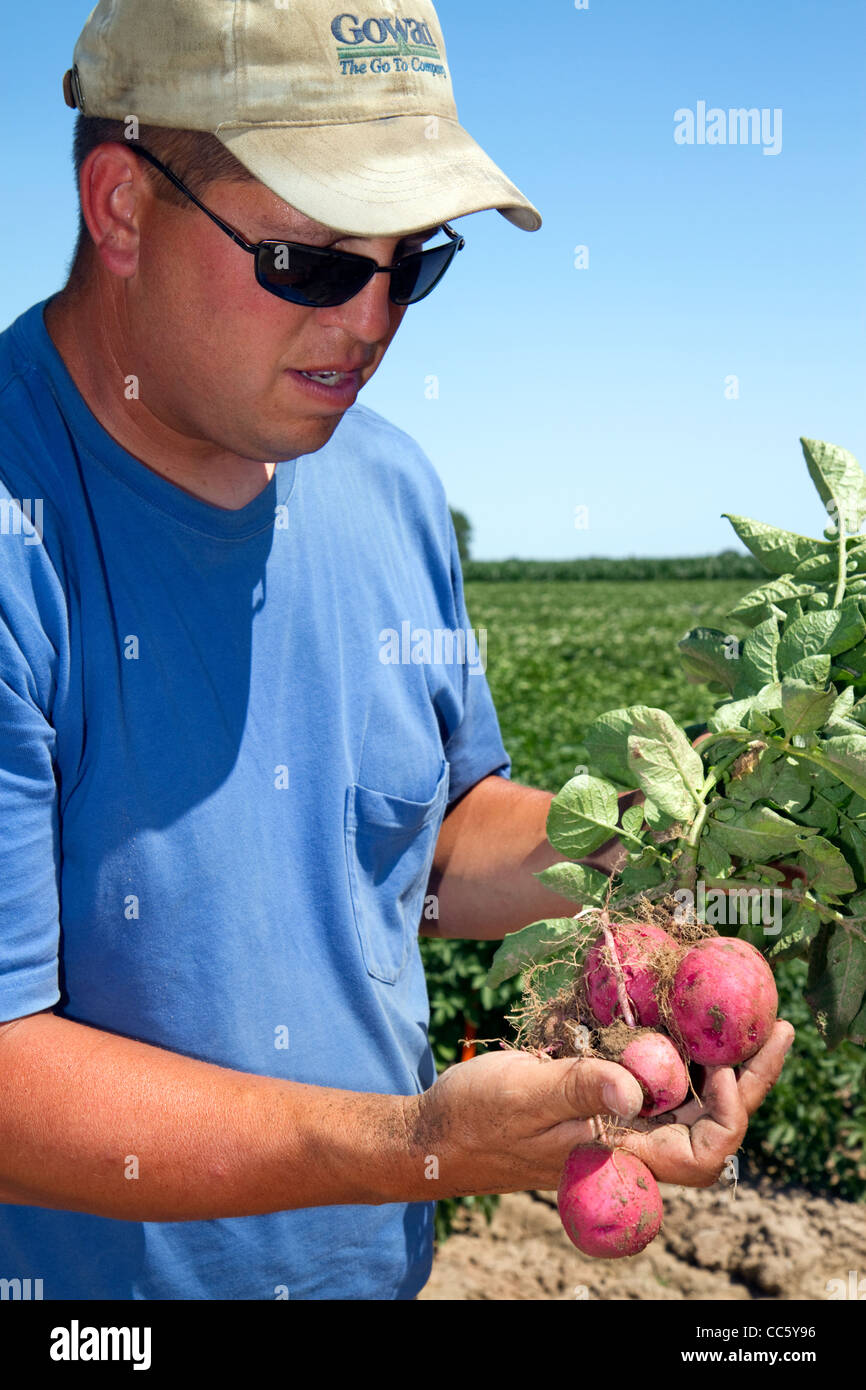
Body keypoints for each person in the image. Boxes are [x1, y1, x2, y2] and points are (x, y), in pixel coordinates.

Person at [0, 0, 793, 1300]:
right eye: (312, 261)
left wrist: (664, 860)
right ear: (121, 210)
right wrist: (420, 1144)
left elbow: (418, 851)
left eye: (411, 261)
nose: (372, 321)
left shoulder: (384, 484)